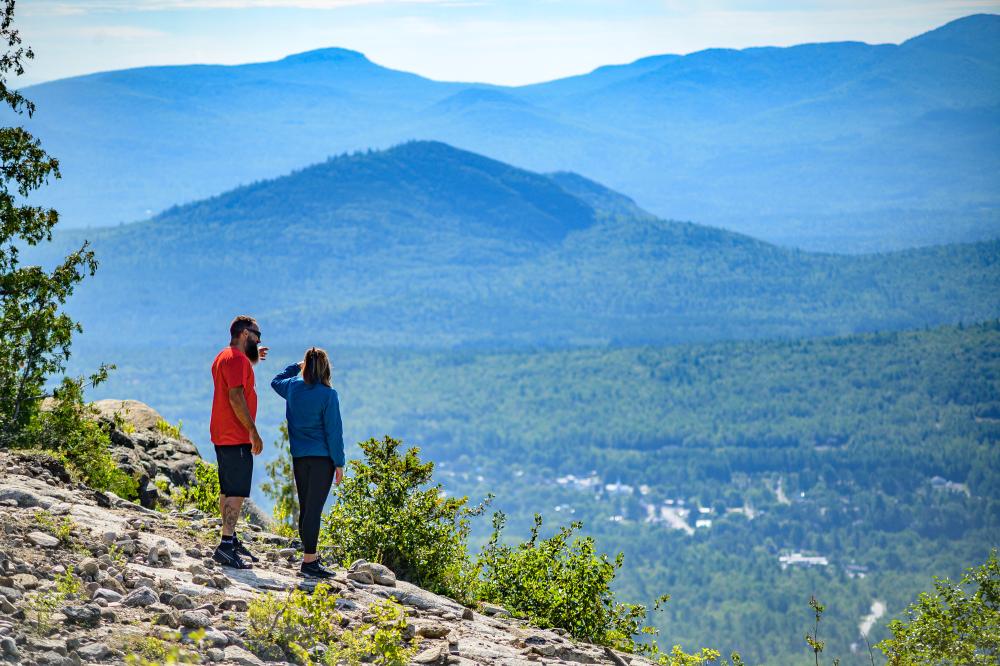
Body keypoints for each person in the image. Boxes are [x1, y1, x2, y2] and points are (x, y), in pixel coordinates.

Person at [271, 347, 345, 578]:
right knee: (314, 510)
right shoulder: (327, 395)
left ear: (306, 365)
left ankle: (309, 557)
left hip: (300, 458)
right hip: (322, 460)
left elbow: (275, 381)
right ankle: (309, 562)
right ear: (325, 368)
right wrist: (339, 463)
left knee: (306, 508)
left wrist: (296, 365)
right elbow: (334, 432)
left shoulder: (293, 387)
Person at [209, 315, 268, 569]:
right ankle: (225, 546)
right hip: (236, 435)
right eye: (257, 335)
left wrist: (253, 357)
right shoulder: (236, 359)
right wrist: (253, 431)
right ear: (245, 333)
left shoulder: (227, 356)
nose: (258, 339)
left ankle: (230, 540)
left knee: (227, 489)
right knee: (236, 493)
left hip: (223, 433)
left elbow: (237, 377)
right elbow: (235, 396)